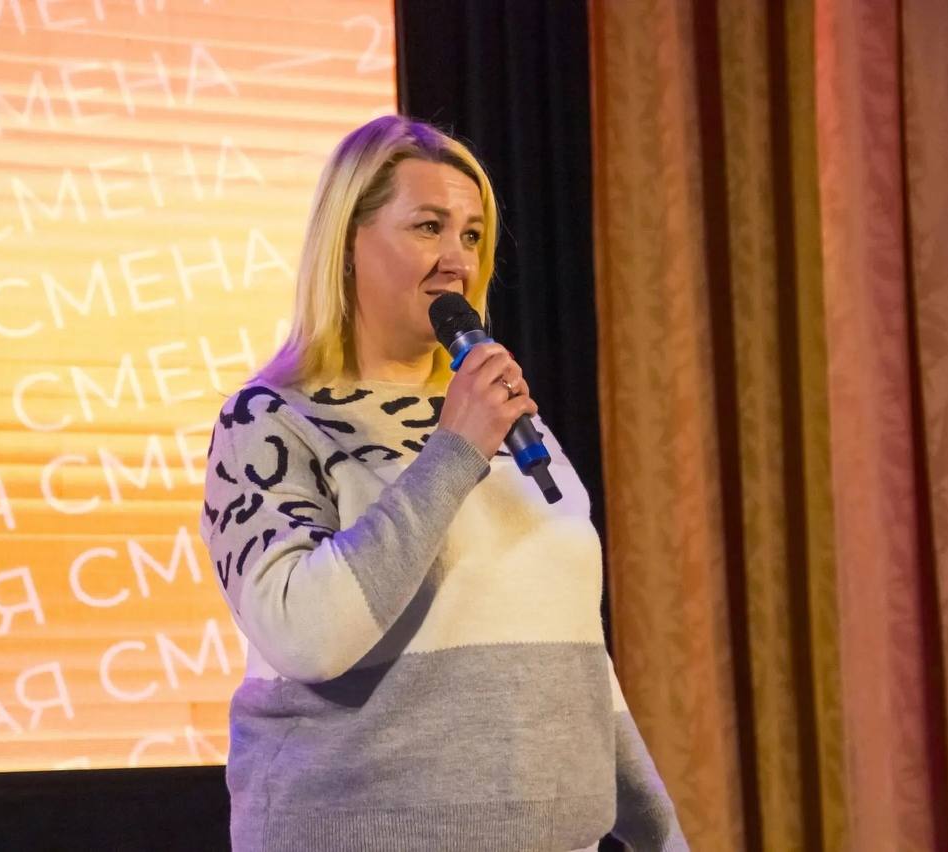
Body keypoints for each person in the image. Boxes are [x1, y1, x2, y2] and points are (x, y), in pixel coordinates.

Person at [199, 115, 686, 851]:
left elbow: (571, 649)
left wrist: (659, 831)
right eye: (428, 227)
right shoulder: (271, 421)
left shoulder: (507, 418)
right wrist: (453, 450)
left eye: (472, 235)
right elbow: (308, 635)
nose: (457, 260)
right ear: (348, 245)